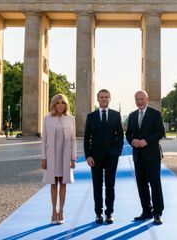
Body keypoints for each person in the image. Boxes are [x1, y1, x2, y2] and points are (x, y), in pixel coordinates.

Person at [126, 90, 165, 225]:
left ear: (147, 99)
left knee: (155, 185)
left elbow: (161, 132)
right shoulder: (132, 116)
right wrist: (132, 141)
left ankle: (158, 213)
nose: (139, 102)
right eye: (137, 99)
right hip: (138, 156)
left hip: (153, 156)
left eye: (142, 99)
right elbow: (128, 133)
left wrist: (146, 141)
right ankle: (146, 211)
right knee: (141, 185)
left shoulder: (155, 114)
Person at [84, 89, 124, 224]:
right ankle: (98, 213)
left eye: (106, 97)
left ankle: (109, 213)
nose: (104, 99)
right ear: (98, 99)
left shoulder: (116, 115)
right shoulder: (91, 116)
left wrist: (118, 151)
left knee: (110, 185)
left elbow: (120, 135)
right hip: (95, 157)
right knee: (97, 186)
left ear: (110, 99)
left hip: (112, 156)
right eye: (102, 97)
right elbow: (86, 138)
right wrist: (88, 155)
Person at [41, 94, 76, 225]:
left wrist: (73, 158)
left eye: (63, 103)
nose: (60, 105)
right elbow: (43, 139)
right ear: (54, 105)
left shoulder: (71, 119)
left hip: (65, 155)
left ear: (66, 105)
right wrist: (43, 157)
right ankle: (53, 211)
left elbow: (73, 139)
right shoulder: (47, 118)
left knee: (63, 182)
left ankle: (61, 210)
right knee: (53, 183)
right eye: (58, 103)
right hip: (51, 155)